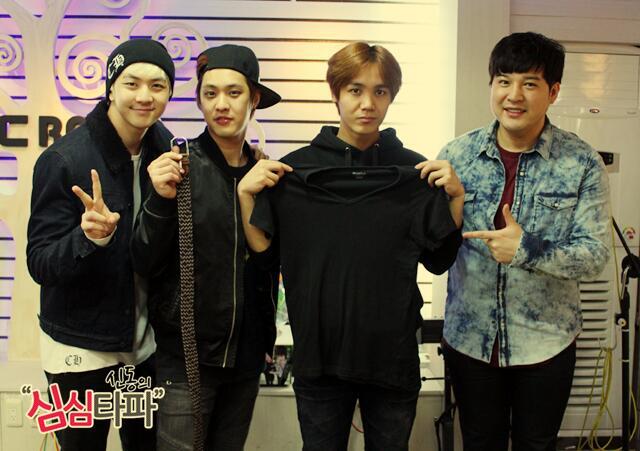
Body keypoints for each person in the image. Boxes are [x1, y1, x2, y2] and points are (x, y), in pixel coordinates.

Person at [239, 42, 464, 451]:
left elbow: (438, 261)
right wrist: (245, 197)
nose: (367, 103)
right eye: (355, 90)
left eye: (380, 91)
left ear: (392, 96)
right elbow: (267, 259)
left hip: (393, 358)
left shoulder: (414, 172)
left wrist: (456, 201)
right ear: (336, 92)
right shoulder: (295, 171)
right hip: (319, 359)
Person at [438, 32, 611, 451]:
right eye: (504, 81)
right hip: (471, 340)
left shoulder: (581, 162)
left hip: (546, 343)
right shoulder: (456, 156)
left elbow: (594, 256)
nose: (513, 95)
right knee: (480, 442)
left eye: (529, 83)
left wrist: (527, 251)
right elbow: (435, 247)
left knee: (537, 444)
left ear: (553, 92)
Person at [130, 44, 283, 451]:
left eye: (234, 93)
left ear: (253, 99)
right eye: (210, 93)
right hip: (185, 359)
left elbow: (272, 266)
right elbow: (143, 257)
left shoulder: (266, 174)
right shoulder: (179, 168)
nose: (221, 105)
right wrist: (160, 200)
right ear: (199, 100)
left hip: (247, 358)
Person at [26, 39, 175, 451]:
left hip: (142, 345)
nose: (145, 96)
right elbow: (39, 262)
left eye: (158, 86)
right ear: (110, 88)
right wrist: (88, 238)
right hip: (78, 349)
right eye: (132, 83)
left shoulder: (165, 150)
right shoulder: (65, 160)